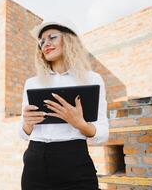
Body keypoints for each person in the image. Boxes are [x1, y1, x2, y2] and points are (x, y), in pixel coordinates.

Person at [18, 17, 109, 190]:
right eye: (42, 41)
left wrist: (79, 123)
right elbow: (23, 134)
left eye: (52, 37)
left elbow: (102, 134)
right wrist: (27, 123)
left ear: (69, 39)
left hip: (74, 160)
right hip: (35, 162)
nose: (45, 44)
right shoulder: (32, 83)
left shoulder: (92, 79)